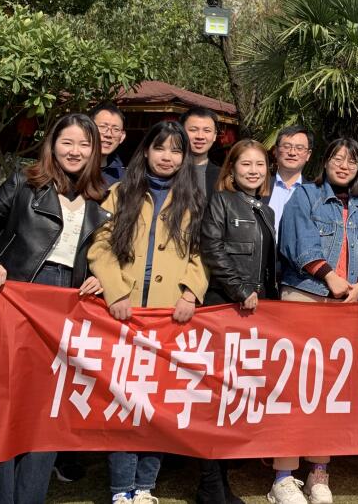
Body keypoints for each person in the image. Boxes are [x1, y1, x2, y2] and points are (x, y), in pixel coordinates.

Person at [0, 113, 108, 504]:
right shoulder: (24, 183)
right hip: (22, 295)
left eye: (84, 144)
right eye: (67, 142)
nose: (75, 151)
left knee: (50, 406)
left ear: (94, 151)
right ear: (52, 144)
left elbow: (110, 253)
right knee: (7, 401)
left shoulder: (102, 197)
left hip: (71, 303)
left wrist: (102, 277)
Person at [88, 120, 208, 504]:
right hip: (124, 316)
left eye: (176, 150)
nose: (167, 157)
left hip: (168, 318)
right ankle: (121, 489)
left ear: (184, 157)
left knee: (158, 404)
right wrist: (116, 291)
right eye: (160, 148)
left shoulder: (195, 201)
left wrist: (190, 293)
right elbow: (99, 246)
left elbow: (202, 253)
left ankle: (144, 487)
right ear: (146, 151)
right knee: (124, 401)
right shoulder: (119, 193)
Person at [274, 138, 358, 504]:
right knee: (293, 386)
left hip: (347, 305)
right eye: (338, 158)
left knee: (332, 390)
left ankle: (319, 470)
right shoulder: (306, 195)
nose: (344, 165)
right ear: (326, 161)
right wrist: (329, 276)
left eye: (352, 161)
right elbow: (295, 242)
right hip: (305, 295)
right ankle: (283, 474)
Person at [199, 139, 277, 504]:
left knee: (236, 395)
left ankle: (221, 479)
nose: (253, 171)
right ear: (231, 169)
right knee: (216, 396)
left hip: (254, 312)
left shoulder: (266, 210)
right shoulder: (220, 201)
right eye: (246, 164)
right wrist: (239, 288)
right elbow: (211, 248)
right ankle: (209, 485)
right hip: (224, 307)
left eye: (260, 165)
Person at [268, 125, 313, 234]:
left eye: (299, 148)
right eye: (286, 146)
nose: (292, 153)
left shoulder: (315, 194)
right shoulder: (259, 187)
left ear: (308, 155)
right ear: (276, 151)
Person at [181, 106, 221, 195]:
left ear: (214, 135)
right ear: (182, 132)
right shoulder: (168, 169)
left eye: (207, 131)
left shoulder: (222, 176)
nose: (200, 136)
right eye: (193, 130)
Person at [92, 102, 128, 185]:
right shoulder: (72, 169)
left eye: (116, 129)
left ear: (122, 137)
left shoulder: (124, 179)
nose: (108, 134)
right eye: (103, 127)